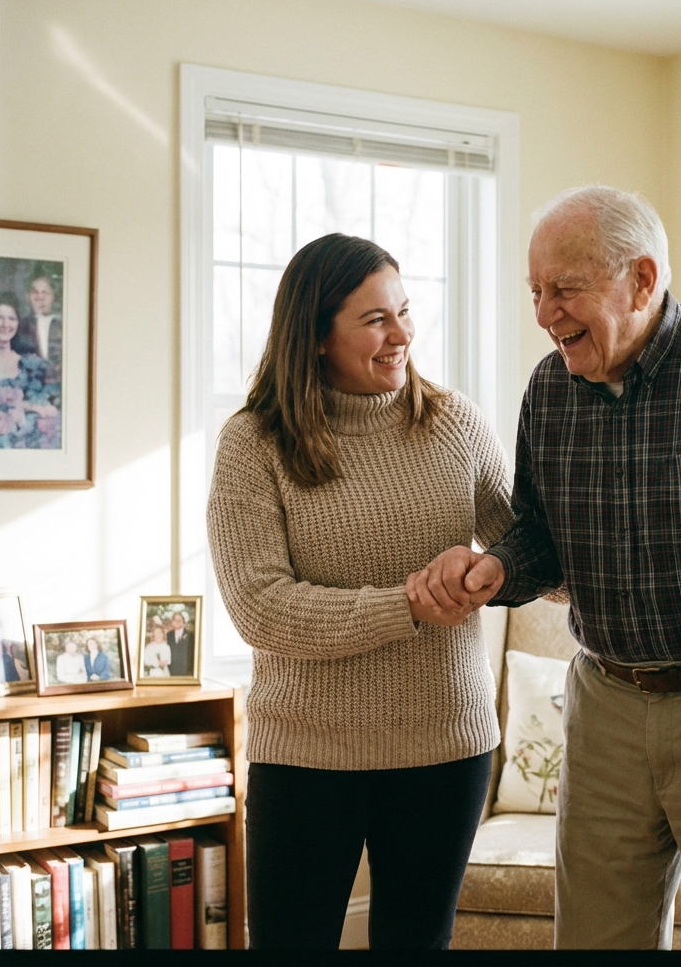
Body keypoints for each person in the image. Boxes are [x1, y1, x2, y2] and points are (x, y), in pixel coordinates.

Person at [408, 186, 681, 949]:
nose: (545, 313)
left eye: (565, 289)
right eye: (536, 292)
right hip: (608, 703)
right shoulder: (551, 389)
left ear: (641, 280)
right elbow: (542, 540)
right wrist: (494, 572)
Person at [206, 233, 513, 951]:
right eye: (376, 320)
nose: (403, 335)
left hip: (447, 745)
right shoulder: (253, 443)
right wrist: (407, 603)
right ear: (314, 336)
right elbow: (261, 608)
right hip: (306, 754)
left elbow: (531, 553)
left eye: (405, 312)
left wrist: (489, 568)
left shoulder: (456, 422)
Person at [0, 292, 61, 449]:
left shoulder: (31, 365)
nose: (5, 324)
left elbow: (49, 408)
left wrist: (26, 407)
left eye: (12, 318)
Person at [13, 275, 63, 381]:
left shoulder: (63, 324)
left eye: (45, 292)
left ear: (53, 296)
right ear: (28, 296)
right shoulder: (21, 326)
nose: (40, 297)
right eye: (35, 292)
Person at [166, 611, 195, 677]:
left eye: (179, 620)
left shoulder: (190, 635)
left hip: (185, 670)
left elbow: (192, 653)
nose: (177, 622)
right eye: (175, 620)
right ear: (172, 622)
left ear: (183, 622)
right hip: (172, 670)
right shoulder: (169, 635)